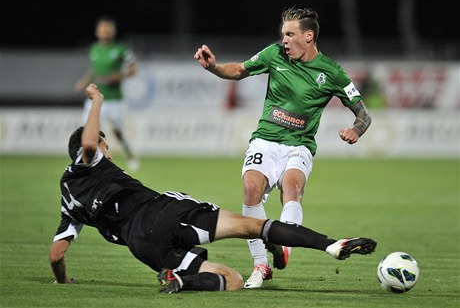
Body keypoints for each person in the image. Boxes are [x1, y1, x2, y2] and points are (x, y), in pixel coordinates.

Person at [49, 84, 377, 293]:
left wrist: (62, 281)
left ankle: (181, 281)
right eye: (106, 147)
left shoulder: (69, 201)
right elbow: (90, 141)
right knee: (255, 226)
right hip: (163, 214)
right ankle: (331, 245)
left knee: (231, 280)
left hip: (144, 248)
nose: (107, 152)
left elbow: (57, 255)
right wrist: (97, 100)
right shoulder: (88, 160)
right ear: (92, 148)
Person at [194, 7, 373, 288]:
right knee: (251, 188)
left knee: (292, 188)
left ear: (309, 36)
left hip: (299, 146)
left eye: (290, 34)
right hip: (265, 139)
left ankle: (282, 241)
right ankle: (261, 266)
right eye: (283, 34)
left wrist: (356, 131)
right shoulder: (274, 54)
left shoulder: (333, 73)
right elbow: (239, 70)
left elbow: (364, 114)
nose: (285, 40)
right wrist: (215, 67)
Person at [74, 15, 139, 171]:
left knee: (118, 132)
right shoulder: (94, 49)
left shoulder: (121, 50)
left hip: (115, 99)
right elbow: (94, 70)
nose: (105, 32)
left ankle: (129, 154)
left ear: (113, 31)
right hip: (94, 97)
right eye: (102, 29)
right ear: (97, 32)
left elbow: (133, 69)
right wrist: (83, 82)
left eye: (108, 29)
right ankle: (85, 160)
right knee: (87, 129)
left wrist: (117, 77)